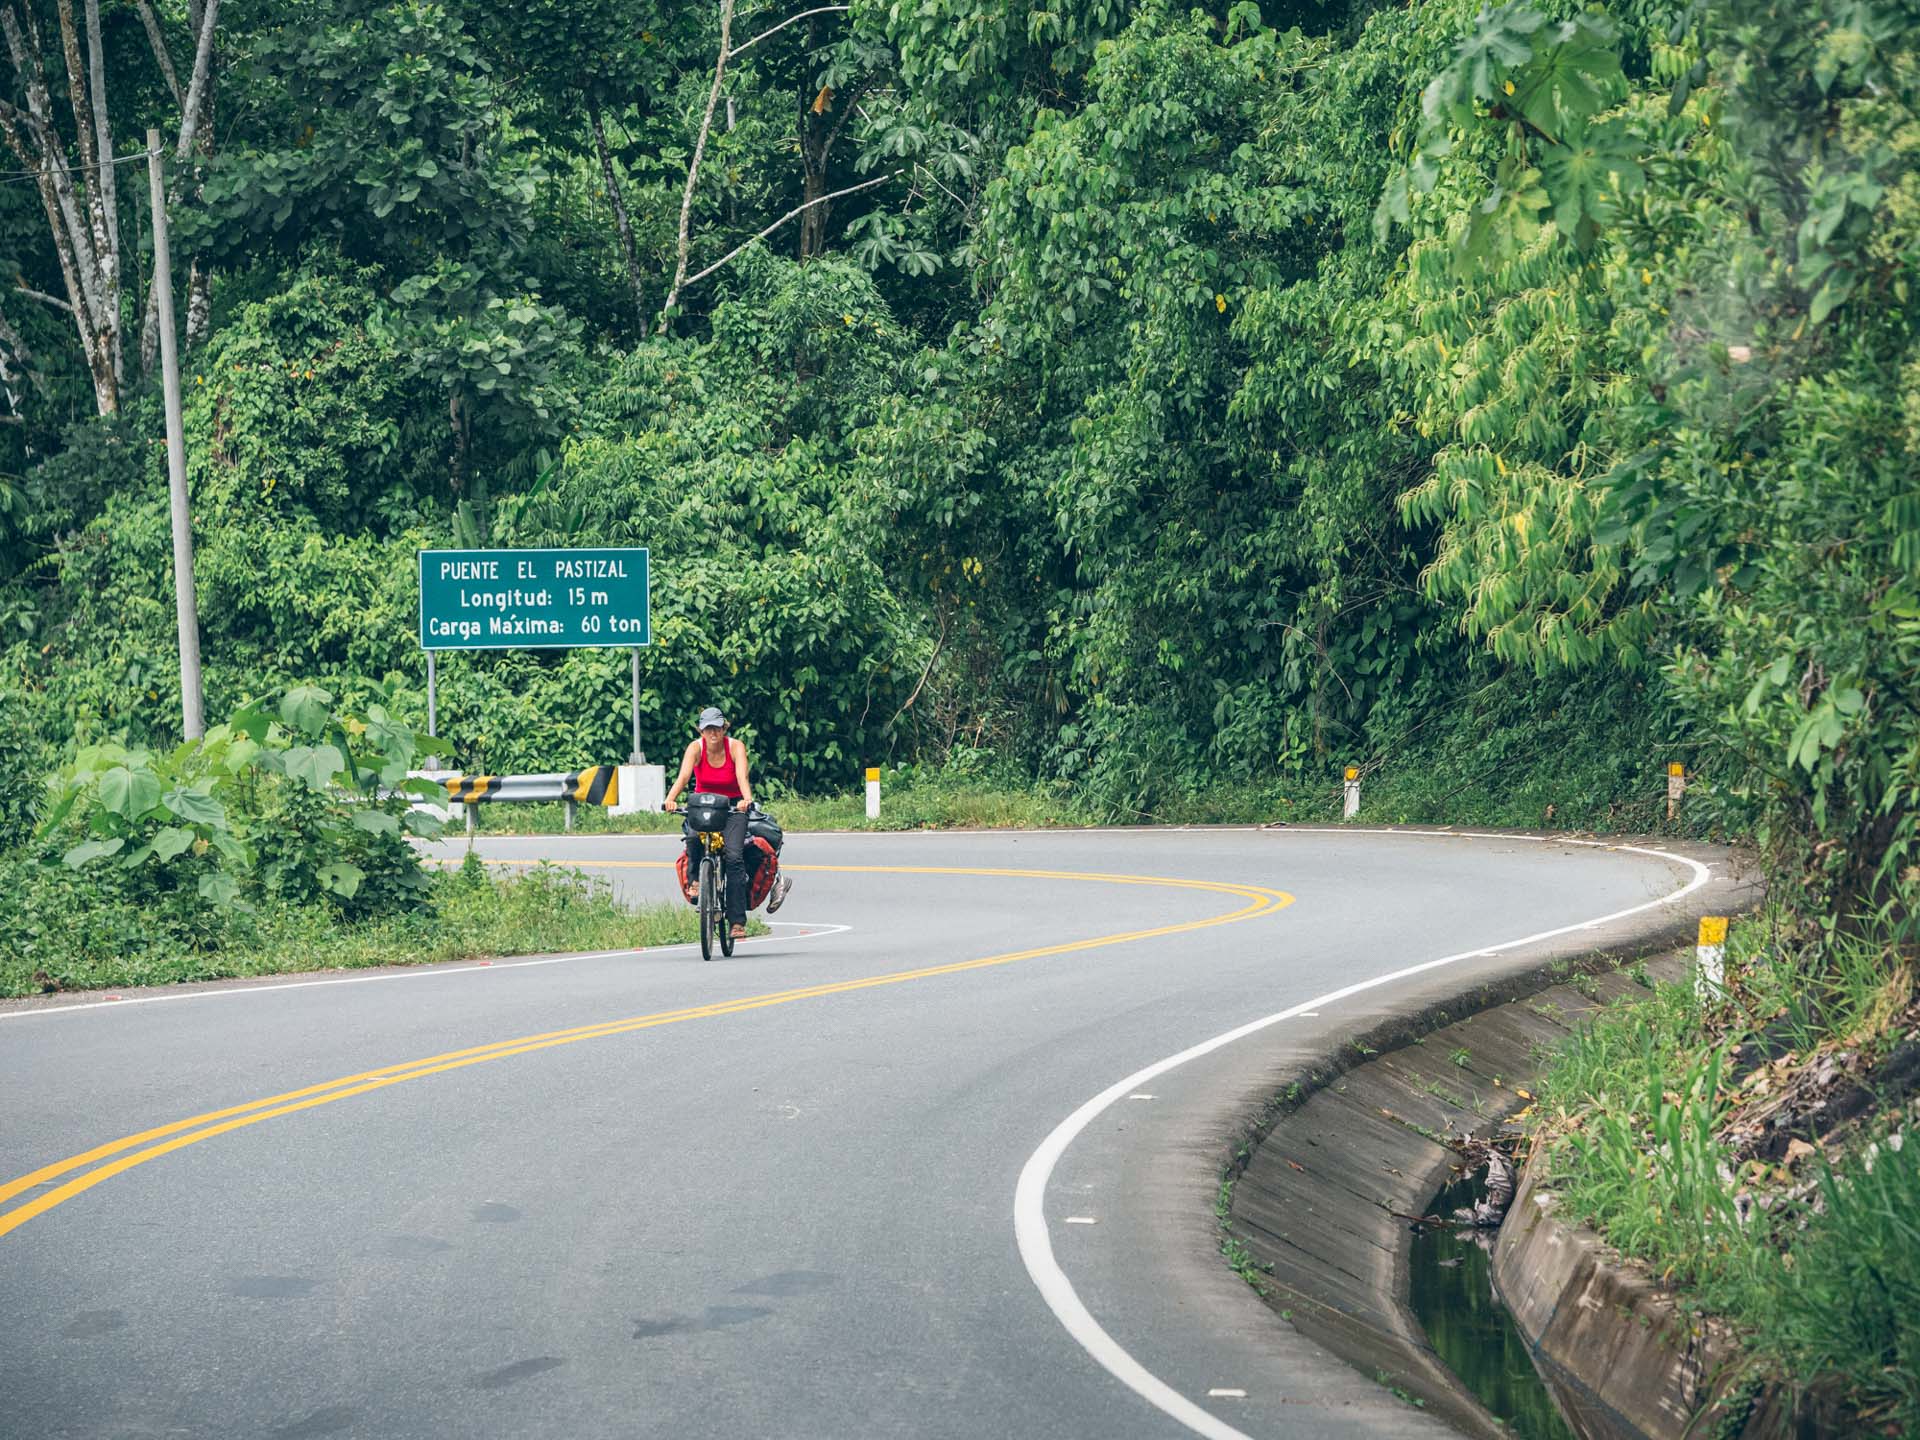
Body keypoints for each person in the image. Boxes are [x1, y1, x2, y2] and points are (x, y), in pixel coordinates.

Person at [663, 706, 790, 938]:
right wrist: (670, 799)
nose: (713, 733)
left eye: (717, 728)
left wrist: (746, 799)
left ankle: (737, 922)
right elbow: (683, 777)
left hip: (732, 808)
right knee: (692, 838)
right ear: (701, 731)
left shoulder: (735, 747)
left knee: (734, 857)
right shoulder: (695, 748)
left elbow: (742, 776)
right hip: (702, 805)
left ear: (724, 728)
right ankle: (695, 882)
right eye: (708, 728)